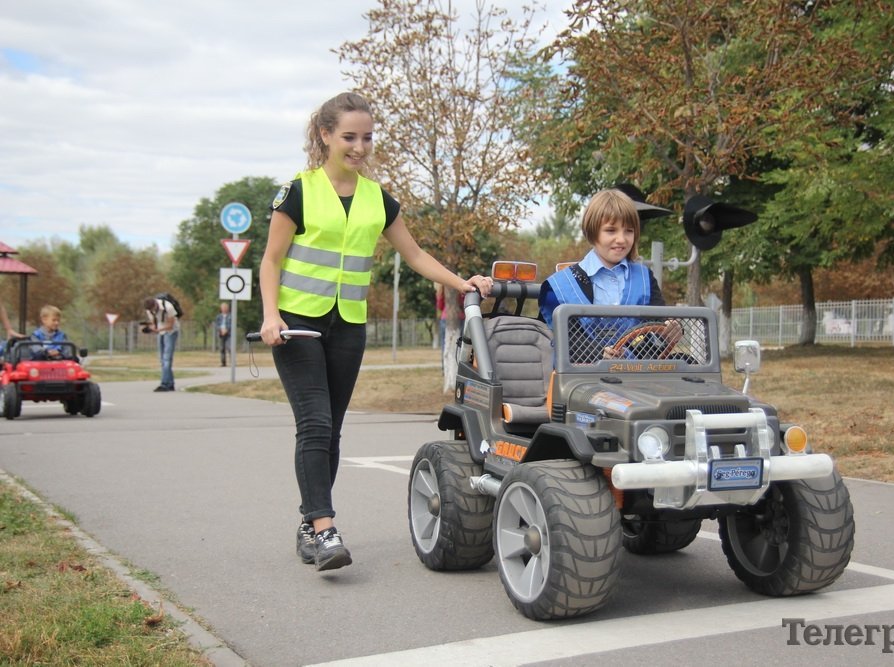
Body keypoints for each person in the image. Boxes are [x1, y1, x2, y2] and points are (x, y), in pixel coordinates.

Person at [258, 91, 493, 572]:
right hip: (297, 323)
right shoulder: (298, 192)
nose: (359, 147)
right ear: (325, 136)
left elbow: (416, 255)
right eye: (349, 137)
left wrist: (461, 281)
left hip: (348, 324)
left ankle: (309, 522)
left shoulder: (377, 199)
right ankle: (325, 531)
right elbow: (271, 260)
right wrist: (270, 316)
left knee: (333, 431)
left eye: (366, 137)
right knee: (316, 425)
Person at [539, 187, 678, 362]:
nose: (621, 239)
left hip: (634, 377)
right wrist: (600, 354)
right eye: (611, 230)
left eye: (629, 230)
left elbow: (655, 331)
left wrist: (671, 331)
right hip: (578, 380)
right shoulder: (560, 286)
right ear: (592, 231)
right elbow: (568, 340)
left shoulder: (644, 278)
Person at [143, 296, 179, 392]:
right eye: (150, 310)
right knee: (162, 358)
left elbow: (171, 325)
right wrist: (151, 328)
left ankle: (164, 384)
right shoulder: (149, 311)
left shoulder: (168, 307)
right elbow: (154, 322)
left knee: (167, 358)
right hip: (161, 332)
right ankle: (170, 383)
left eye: (153, 308)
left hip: (171, 332)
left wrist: (158, 329)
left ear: (155, 304)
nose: (153, 311)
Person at [214, 302, 232, 367]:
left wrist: (227, 330)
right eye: (223, 308)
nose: (224, 309)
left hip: (229, 334)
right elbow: (216, 325)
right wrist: (220, 330)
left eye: (225, 307)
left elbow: (232, 324)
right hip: (221, 334)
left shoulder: (230, 316)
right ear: (221, 309)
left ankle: (232, 362)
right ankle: (223, 363)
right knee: (222, 349)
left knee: (230, 348)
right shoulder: (218, 317)